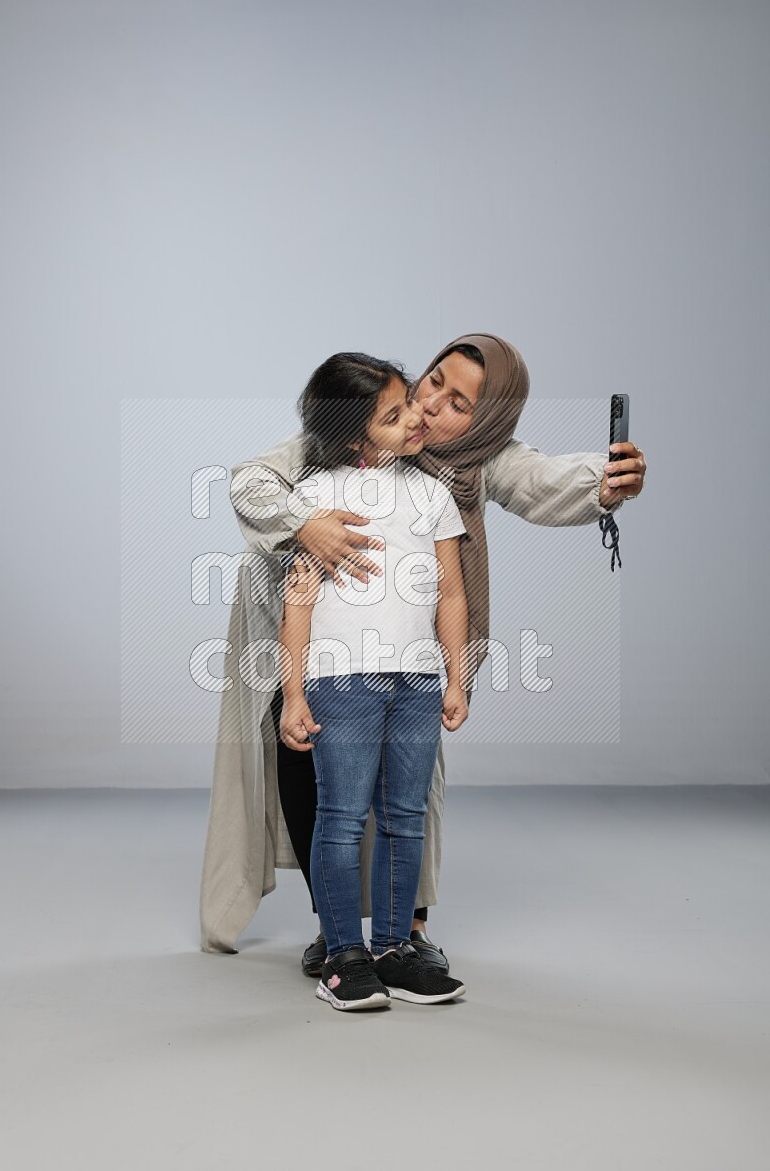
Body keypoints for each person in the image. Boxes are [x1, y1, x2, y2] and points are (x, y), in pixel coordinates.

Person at [199, 332, 647, 963]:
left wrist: (607, 479)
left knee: (407, 784)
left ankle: (406, 927)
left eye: (461, 404)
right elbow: (250, 482)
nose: (434, 406)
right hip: (305, 628)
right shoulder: (351, 428)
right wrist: (305, 523)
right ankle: (335, 927)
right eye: (435, 381)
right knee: (304, 761)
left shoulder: (475, 460)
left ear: (484, 421)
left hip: (407, 648)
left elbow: (541, 478)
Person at [277, 352, 470, 1009]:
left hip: (417, 680)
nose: (417, 416)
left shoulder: (433, 493)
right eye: (395, 416)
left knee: (405, 818)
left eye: (409, 401)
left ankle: (392, 947)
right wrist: (295, 692)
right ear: (355, 437)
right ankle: (343, 955)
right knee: (340, 818)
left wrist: (455, 677)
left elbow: (450, 591)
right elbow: (297, 599)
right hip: (343, 680)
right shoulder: (314, 496)